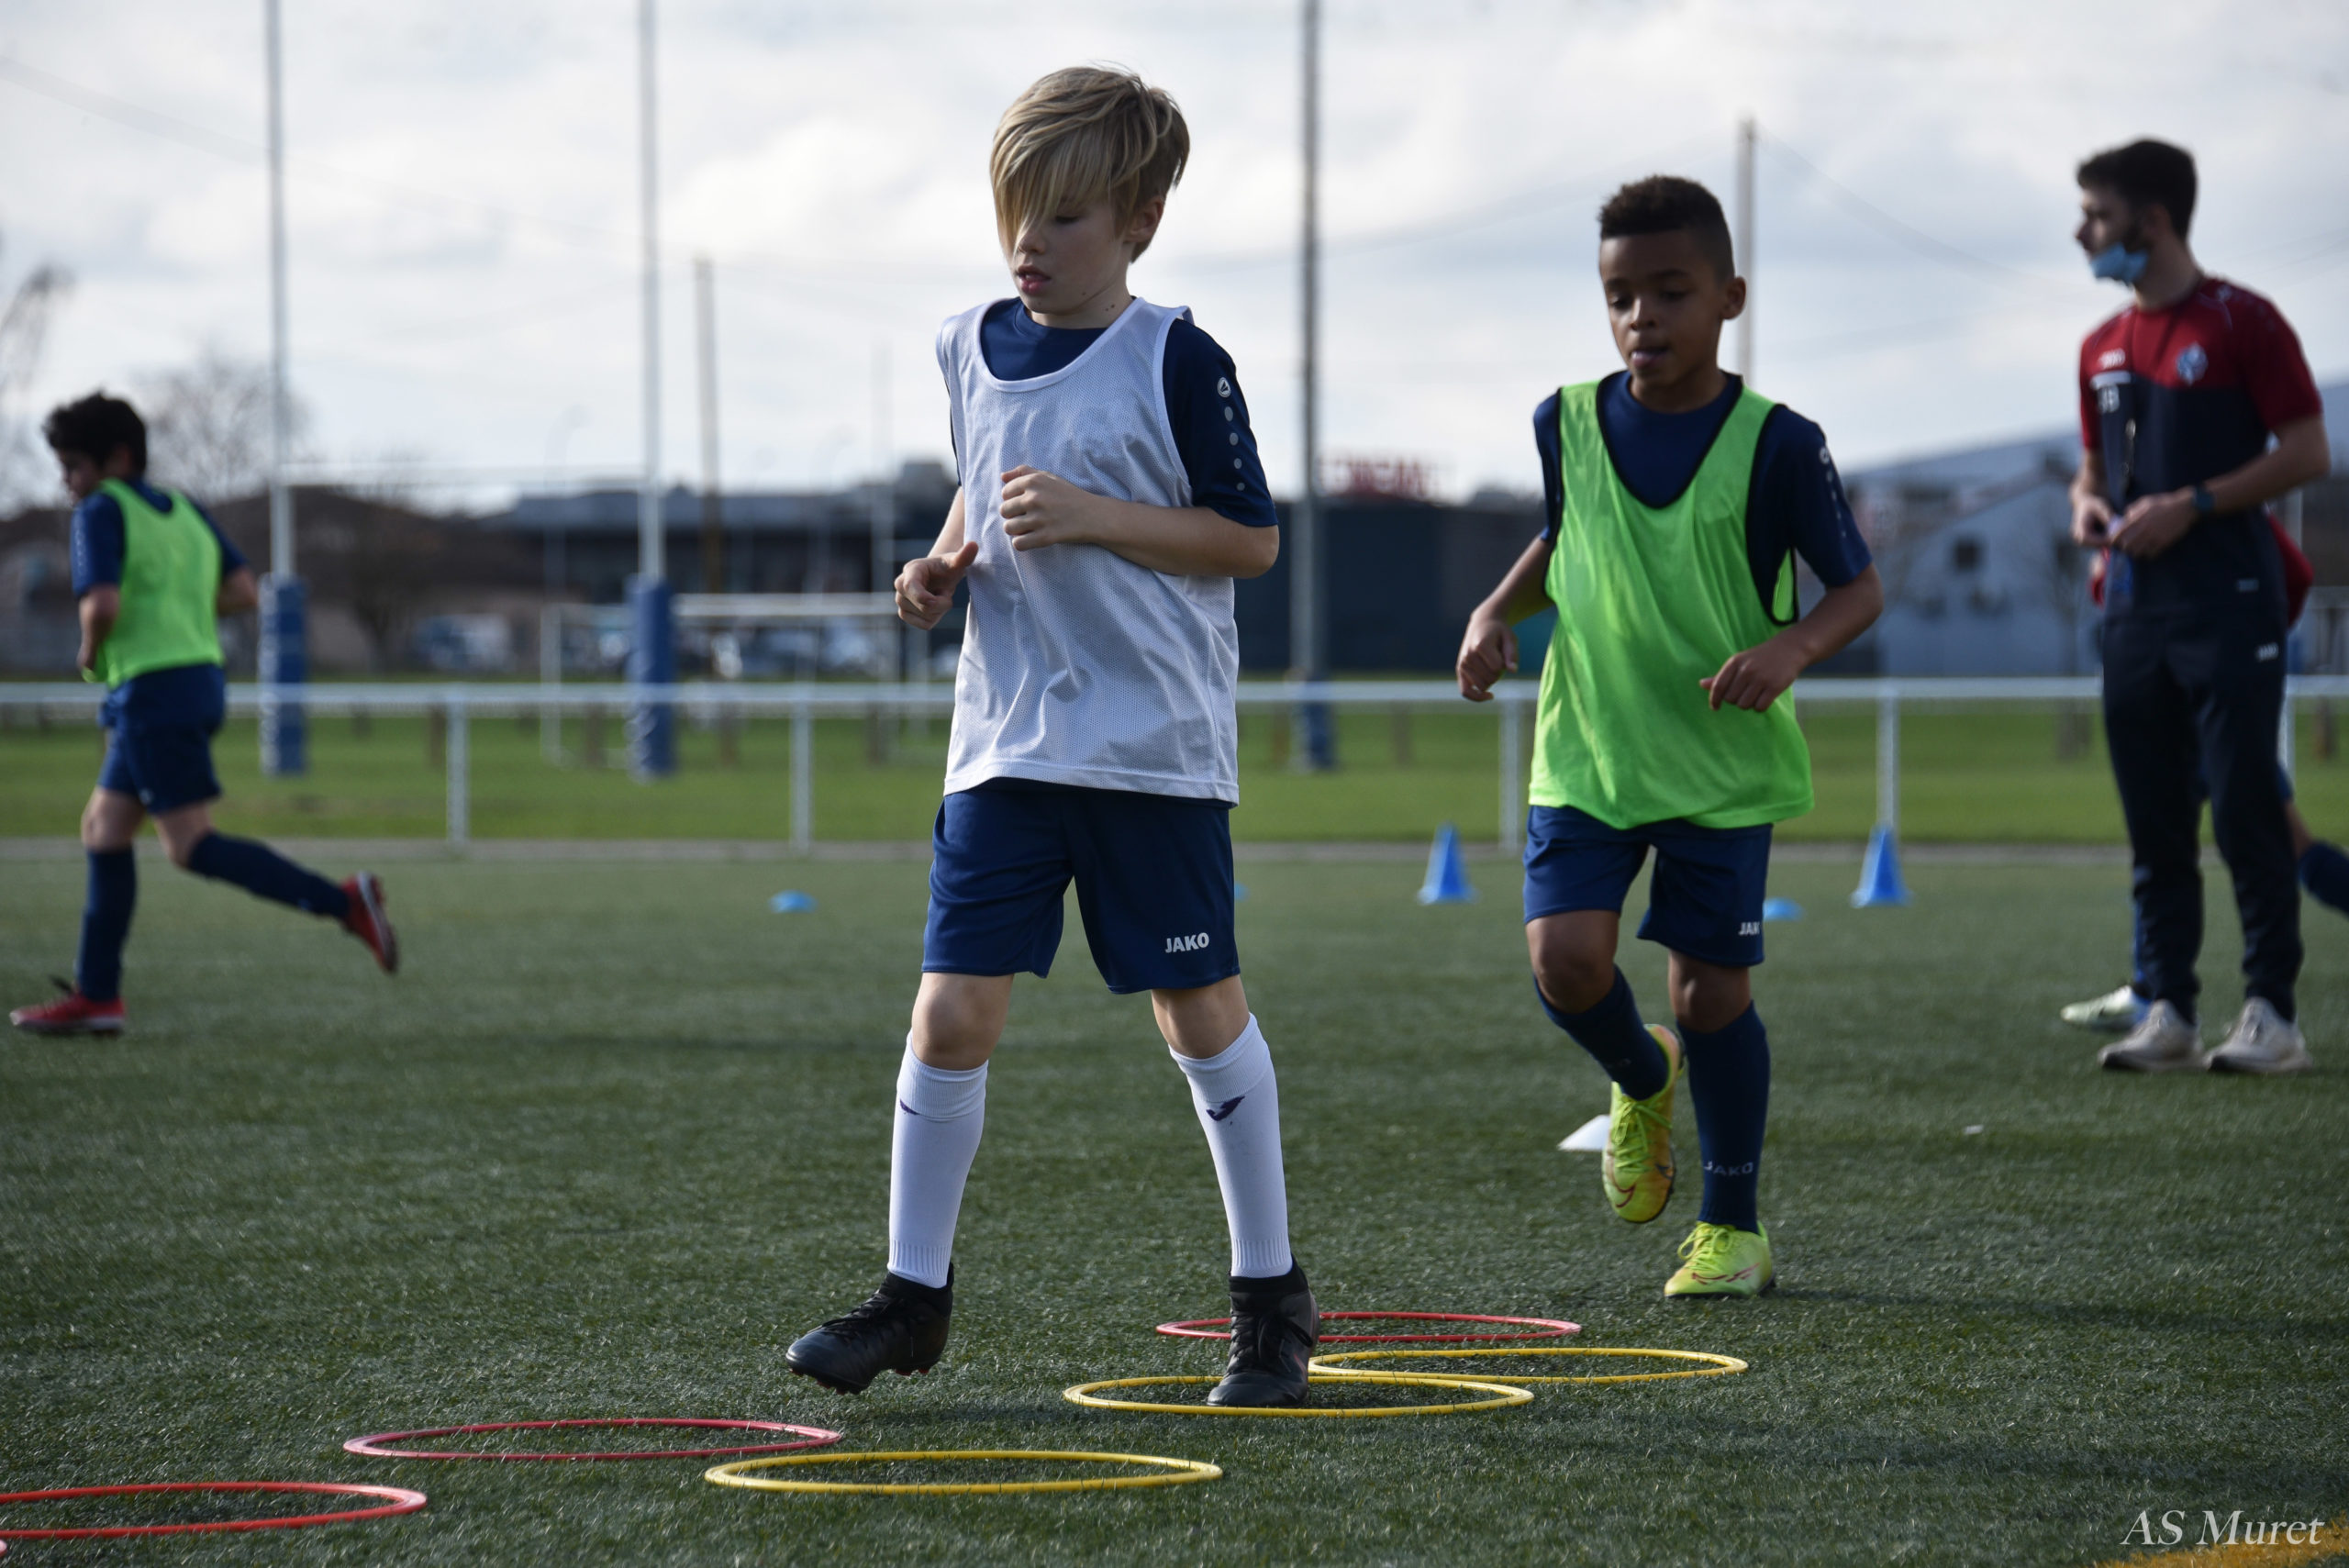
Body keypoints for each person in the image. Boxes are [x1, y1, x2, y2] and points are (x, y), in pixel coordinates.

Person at [783, 68, 1313, 1405]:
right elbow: (982, 491)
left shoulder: (1178, 356)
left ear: (1138, 221)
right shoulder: (964, 343)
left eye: (1065, 216)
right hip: (1005, 748)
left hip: (1151, 751)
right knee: (950, 1012)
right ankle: (911, 1298)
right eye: (1015, 210)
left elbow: (1249, 539)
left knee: (1199, 1013)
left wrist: (1094, 515)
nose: (1031, 240)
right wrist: (935, 569)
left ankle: (1270, 1301)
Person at [1456, 177, 1881, 1299]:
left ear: (1729, 297)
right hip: (1588, 751)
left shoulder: (1779, 444)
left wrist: (1790, 650)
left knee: (1709, 996)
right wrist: (1494, 611)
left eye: (1670, 291)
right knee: (1564, 960)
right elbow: (1563, 536)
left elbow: (1858, 588)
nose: (1641, 315)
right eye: (1619, 296)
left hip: (1718, 766)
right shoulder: (1563, 421)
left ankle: (1732, 1227)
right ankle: (1642, 1075)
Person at [8, 394, 398, 1038]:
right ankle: (97, 995)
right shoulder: (185, 510)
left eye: (73, 465)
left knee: (190, 845)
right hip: (198, 680)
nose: (67, 481)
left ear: (117, 459)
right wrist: (177, 609)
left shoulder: (100, 509)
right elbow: (243, 591)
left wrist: (89, 651)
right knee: (104, 828)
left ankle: (344, 901)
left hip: (152, 690)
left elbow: (101, 606)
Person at [2068, 139, 2329, 1073]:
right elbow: (2091, 471)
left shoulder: (2242, 321)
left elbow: (2307, 451)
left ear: (2153, 219)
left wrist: (2197, 503)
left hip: (2231, 600)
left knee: (2247, 810)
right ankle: (2168, 1009)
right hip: (2133, 612)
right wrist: (2084, 504)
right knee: (2155, 822)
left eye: (2097, 215)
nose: (2082, 233)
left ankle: (2272, 1016)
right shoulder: (2098, 346)